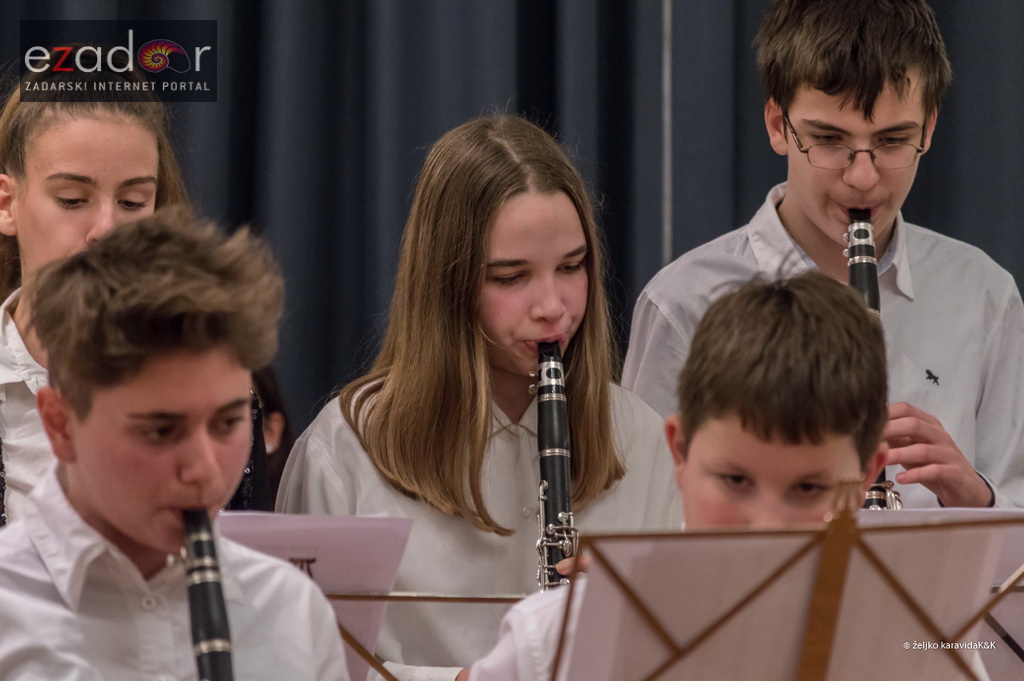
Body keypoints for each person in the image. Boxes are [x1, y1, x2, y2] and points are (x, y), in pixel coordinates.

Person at [277, 114, 681, 681]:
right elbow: (302, 665)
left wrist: (627, 630)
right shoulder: (342, 453)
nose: (552, 308)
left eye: (571, 267)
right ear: (447, 285)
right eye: (511, 277)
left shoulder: (639, 438)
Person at [622, 0, 1024, 509]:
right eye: (828, 140)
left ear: (928, 128)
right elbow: (644, 521)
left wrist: (975, 497)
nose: (862, 177)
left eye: (893, 140)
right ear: (777, 124)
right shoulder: (681, 304)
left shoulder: (984, 294)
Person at [467, 272, 892, 681]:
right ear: (680, 451)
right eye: (735, 481)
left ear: (867, 477)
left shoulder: (915, 639)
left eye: (808, 488)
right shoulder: (554, 641)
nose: (766, 526)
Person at [0, 209, 349, 680]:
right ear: (60, 426)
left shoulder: (290, 611)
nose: (204, 470)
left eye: (227, 423)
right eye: (161, 431)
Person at [0, 55, 189, 525]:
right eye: (73, 200)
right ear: (7, 205)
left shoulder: (200, 390)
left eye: (132, 202)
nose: (106, 228)